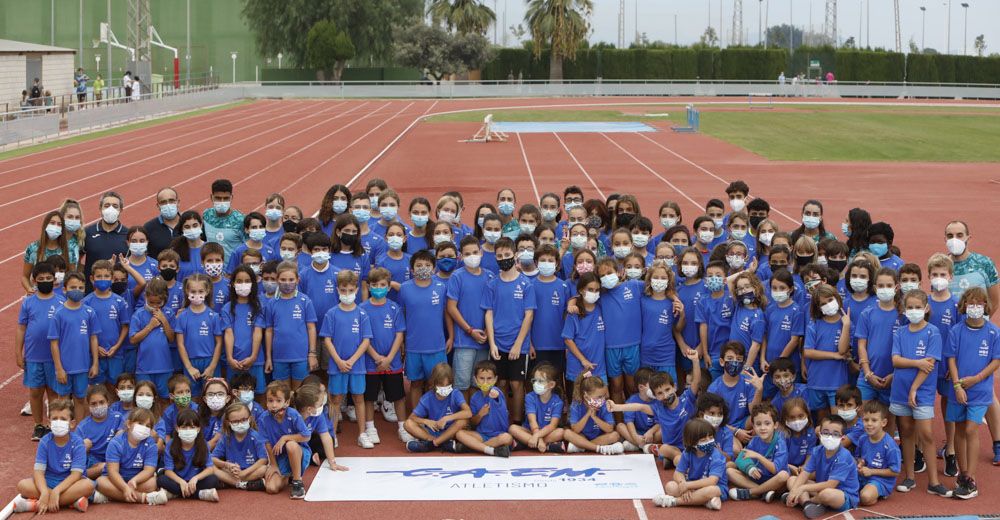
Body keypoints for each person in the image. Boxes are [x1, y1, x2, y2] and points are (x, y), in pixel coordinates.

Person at [944, 220, 1000, 464]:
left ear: (968, 236)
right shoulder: (944, 264)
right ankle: (953, 446)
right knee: (951, 391)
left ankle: (998, 442)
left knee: (986, 394)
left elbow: (995, 299)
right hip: (953, 336)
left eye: (959, 234)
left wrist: (980, 329)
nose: (954, 238)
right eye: (949, 234)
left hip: (978, 333)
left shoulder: (983, 263)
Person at [891, 289, 951, 497]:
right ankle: (910, 477)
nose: (914, 311)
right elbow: (896, 360)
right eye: (910, 307)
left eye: (918, 307)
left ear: (926, 308)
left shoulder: (932, 332)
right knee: (906, 432)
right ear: (904, 309)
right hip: (900, 390)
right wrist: (916, 362)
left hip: (922, 392)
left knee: (925, 434)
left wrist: (915, 388)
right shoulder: (900, 332)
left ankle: (934, 482)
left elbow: (930, 364)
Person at [945, 287, 999, 499]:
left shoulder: (994, 332)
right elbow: (951, 359)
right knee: (959, 430)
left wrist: (976, 379)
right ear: (964, 305)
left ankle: (971, 478)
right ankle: (963, 473)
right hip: (958, 391)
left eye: (979, 303)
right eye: (970, 303)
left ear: (986, 306)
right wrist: (958, 386)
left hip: (981, 392)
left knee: (970, 430)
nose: (975, 307)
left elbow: (996, 361)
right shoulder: (956, 331)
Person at [320, 270, 374, 448]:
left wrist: (351, 360)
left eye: (351, 290)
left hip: (357, 366)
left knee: (359, 398)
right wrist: (339, 361)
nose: (347, 294)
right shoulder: (331, 313)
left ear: (357, 290)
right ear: (337, 289)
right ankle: (332, 434)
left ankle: (362, 434)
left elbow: (366, 340)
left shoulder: (362, 314)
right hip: (337, 366)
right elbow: (327, 339)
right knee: (335, 400)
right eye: (343, 290)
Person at [484, 237, 535, 424]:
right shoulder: (492, 284)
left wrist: (518, 344)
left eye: (507, 254)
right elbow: (488, 314)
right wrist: (492, 344)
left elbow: (528, 316)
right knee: (502, 383)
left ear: (515, 255)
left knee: (516, 383)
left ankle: (516, 421)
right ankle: (502, 419)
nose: (503, 258)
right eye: (499, 255)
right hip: (498, 343)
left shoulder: (526, 284)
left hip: (518, 345)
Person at [12, 398, 93, 514]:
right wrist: (44, 491)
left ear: (72, 423)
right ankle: (70, 501)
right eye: (55, 419)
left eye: (63, 419)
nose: (58, 422)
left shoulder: (78, 442)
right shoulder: (45, 441)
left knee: (88, 485)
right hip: (48, 481)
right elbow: (38, 472)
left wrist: (57, 491)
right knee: (22, 485)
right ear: (49, 423)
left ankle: (36, 505)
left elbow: (76, 475)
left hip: (70, 483)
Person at [360, 267, 410, 442]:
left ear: (389, 287)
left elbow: (399, 334)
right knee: (369, 397)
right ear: (369, 286)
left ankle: (403, 427)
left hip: (392, 361)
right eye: (374, 284)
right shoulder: (362, 308)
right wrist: (376, 357)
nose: (378, 288)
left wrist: (389, 358)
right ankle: (370, 427)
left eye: (382, 285)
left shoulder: (394, 308)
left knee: (398, 396)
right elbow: (362, 337)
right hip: (369, 361)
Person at [17, 262, 64, 440]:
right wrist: (18, 353)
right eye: (41, 279)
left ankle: (53, 423)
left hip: (53, 357)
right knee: (35, 392)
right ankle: (38, 425)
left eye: (48, 278)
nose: (45, 281)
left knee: (53, 392)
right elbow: (21, 328)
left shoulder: (61, 301)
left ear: (55, 280)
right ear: (34, 281)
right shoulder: (28, 302)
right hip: (33, 355)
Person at [399, 250, 449, 411]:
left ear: (434, 268)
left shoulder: (441, 287)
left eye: (427, 265)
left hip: (437, 346)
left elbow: (447, 314)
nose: (423, 268)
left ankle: (435, 415)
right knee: (416, 383)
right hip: (414, 347)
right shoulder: (405, 288)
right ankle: (417, 416)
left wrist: (452, 337)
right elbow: (401, 316)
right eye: (419, 265)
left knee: (436, 383)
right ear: (412, 269)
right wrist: (401, 342)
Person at [783, 415, 859, 518]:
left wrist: (802, 489)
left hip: (843, 496)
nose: (830, 437)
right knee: (792, 480)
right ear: (820, 434)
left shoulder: (844, 456)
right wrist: (794, 491)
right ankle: (807, 504)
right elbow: (805, 472)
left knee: (826, 494)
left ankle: (804, 500)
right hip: (820, 487)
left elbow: (831, 485)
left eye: (836, 434)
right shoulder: (817, 451)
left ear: (842, 438)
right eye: (826, 433)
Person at [48, 272, 100, 420]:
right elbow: (54, 343)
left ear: (84, 289)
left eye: (80, 287)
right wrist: (58, 368)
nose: (76, 290)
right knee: (63, 400)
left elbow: (94, 338)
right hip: (64, 367)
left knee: (80, 399)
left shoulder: (89, 312)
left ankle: (78, 431)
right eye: (73, 287)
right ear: (64, 289)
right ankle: (64, 429)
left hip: (83, 367)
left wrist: (95, 363)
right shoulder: (58, 314)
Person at [93, 408, 168, 506]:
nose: (144, 428)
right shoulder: (116, 443)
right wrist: (125, 487)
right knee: (100, 482)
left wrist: (134, 481)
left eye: (148, 426)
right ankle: (144, 498)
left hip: (137, 481)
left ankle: (111, 496)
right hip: (115, 481)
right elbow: (113, 472)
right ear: (129, 424)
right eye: (140, 423)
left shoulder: (151, 444)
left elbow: (149, 470)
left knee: (153, 483)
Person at [447, 236, 494, 393]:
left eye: (475, 252)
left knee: (479, 384)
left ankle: (477, 416)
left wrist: (487, 332)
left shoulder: (490, 276)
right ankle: (463, 417)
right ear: (461, 256)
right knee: (461, 384)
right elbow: (451, 307)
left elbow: (493, 308)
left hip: (484, 341)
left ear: (481, 252)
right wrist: (470, 330)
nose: (472, 256)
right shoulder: (457, 277)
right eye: (467, 254)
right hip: (464, 341)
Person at [263, 261, 318, 390]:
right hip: (279, 357)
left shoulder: (305, 301)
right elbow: (269, 331)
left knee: (299, 393)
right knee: (284, 393)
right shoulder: (272, 304)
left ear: (298, 280)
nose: (287, 283)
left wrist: (312, 354)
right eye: (283, 279)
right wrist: (269, 358)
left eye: (291, 279)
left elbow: (311, 328)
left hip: (301, 357)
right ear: (277, 280)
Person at [651, 418, 726, 510]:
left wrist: (688, 486)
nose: (708, 441)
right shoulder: (688, 452)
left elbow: (712, 481)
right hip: (692, 485)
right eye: (703, 439)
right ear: (692, 442)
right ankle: (703, 501)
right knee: (670, 486)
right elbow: (678, 473)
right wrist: (683, 484)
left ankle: (674, 501)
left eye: (710, 437)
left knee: (713, 490)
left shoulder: (717, 456)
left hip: (714, 487)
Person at [804, 284, 851, 421]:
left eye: (830, 300)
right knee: (822, 420)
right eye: (823, 303)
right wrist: (834, 356)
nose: (828, 305)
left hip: (837, 382)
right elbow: (808, 352)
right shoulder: (814, 324)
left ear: (837, 298)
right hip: (816, 381)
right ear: (818, 307)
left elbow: (843, 350)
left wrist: (846, 325)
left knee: (837, 419)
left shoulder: (846, 324)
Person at [403, 363, 472, 452]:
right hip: (434, 430)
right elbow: (412, 418)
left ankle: (432, 444)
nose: (444, 388)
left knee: (463, 421)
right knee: (408, 424)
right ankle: (442, 443)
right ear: (434, 383)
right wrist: (426, 421)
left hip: (451, 431)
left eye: (447, 385)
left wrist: (447, 418)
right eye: (441, 385)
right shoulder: (427, 398)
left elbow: (468, 412)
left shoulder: (455, 393)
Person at [83, 260, 131, 388]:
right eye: (99, 276)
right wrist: (96, 347)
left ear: (112, 278)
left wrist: (116, 346)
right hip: (94, 355)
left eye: (106, 276)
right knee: (95, 390)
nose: (102, 279)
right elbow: (84, 330)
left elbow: (125, 326)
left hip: (116, 353)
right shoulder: (86, 302)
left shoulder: (119, 301)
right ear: (92, 279)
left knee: (115, 388)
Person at [727, 403, 789, 502]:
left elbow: (776, 470)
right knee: (729, 471)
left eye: (767, 423)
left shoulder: (780, 442)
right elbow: (740, 458)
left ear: (775, 425)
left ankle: (751, 492)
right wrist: (750, 468)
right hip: (758, 479)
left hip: (775, 482)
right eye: (758, 424)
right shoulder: (754, 440)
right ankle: (763, 492)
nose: (762, 428)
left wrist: (758, 456)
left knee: (784, 475)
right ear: (754, 426)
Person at [258, 381, 309, 499]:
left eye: (278, 401)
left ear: (286, 402)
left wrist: (285, 438)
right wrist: (274, 465)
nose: (274, 405)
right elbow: (267, 444)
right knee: (271, 488)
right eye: (270, 401)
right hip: (279, 456)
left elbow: (306, 436)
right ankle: (287, 476)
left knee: (290, 444)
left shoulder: (293, 414)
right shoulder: (263, 418)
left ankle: (297, 482)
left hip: (298, 452)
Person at [176, 275, 225, 396]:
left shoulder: (213, 316)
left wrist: (212, 367)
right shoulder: (182, 316)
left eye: (200, 291)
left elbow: (219, 343)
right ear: (187, 291)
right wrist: (189, 367)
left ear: (207, 291)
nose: (197, 294)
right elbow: (180, 344)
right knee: (193, 397)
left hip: (210, 361)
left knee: (213, 396)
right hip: (190, 362)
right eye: (193, 291)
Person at [158, 409, 220, 502]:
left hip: (196, 482)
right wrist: (181, 482)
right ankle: (199, 494)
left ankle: (174, 494)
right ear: (177, 428)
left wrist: (195, 478)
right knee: (161, 480)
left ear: (198, 429)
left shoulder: (203, 444)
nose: (188, 430)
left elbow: (210, 469)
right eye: (183, 427)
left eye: (192, 427)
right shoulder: (171, 444)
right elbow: (168, 471)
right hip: (177, 481)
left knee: (213, 480)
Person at [454, 361, 514, 457]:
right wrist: (480, 414)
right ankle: (489, 450)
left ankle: (472, 447)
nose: (485, 382)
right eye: (481, 378)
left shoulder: (497, 392)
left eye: (489, 378)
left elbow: (497, 395)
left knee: (507, 438)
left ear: (495, 379)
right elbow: (473, 422)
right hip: (481, 435)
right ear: (475, 379)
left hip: (499, 435)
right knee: (459, 434)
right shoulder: (475, 397)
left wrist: (495, 395)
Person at [508, 362, 565, 453]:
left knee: (561, 432)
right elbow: (532, 421)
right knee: (512, 428)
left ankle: (527, 444)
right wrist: (538, 438)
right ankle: (545, 445)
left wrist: (537, 436)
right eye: (535, 380)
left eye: (541, 381)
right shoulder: (530, 397)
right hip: (530, 430)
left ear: (551, 385)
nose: (536, 384)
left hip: (547, 432)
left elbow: (552, 425)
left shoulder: (557, 402)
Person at [211, 402, 267, 491]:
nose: (240, 423)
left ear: (250, 419)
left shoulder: (256, 436)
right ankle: (241, 484)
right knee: (211, 468)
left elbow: (263, 460)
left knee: (264, 469)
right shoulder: (226, 437)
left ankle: (231, 482)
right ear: (228, 422)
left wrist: (244, 473)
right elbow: (213, 458)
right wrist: (226, 464)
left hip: (250, 471)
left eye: (244, 420)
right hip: (231, 472)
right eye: (235, 421)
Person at [855, 400, 901, 506]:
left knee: (865, 497)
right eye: (866, 420)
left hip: (880, 480)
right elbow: (859, 457)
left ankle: (878, 494)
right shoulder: (863, 438)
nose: (869, 424)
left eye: (874, 420)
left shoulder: (890, 446)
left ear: (883, 423)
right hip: (862, 475)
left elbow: (895, 471)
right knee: (840, 483)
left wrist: (872, 471)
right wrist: (860, 463)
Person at [565, 373, 623, 454]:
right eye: (599, 397)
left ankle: (582, 447)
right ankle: (599, 448)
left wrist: (595, 417)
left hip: (599, 437)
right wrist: (588, 414)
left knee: (615, 435)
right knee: (567, 433)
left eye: (603, 396)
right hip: (582, 436)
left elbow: (610, 428)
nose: (602, 399)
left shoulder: (604, 405)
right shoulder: (575, 405)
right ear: (586, 396)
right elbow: (575, 430)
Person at [21, 211, 77, 293]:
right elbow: (25, 277)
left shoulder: (69, 249)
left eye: (59, 224)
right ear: (45, 225)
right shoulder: (33, 248)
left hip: (61, 296)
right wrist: (29, 289)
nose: (55, 227)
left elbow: (72, 276)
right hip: (39, 294)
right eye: (52, 223)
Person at [83, 192, 129, 290]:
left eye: (115, 206)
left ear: (121, 210)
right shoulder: (88, 232)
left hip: (119, 291)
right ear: (100, 208)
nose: (110, 209)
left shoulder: (128, 235)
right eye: (107, 205)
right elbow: (77, 260)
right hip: (91, 291)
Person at [202, 179, 245, 264]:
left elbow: (248, 247)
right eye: (218, 198)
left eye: (226, 198)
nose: (222, 202)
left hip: (233, 272)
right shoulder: (206, 215)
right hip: (211, 269)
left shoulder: (240, 220)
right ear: (211, 197)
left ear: (231, 197)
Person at [144, 187, 182, 259]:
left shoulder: (189, 224)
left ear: (178, 202)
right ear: (158, 206)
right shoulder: (148, 228)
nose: (168, 205)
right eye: (163, 202)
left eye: (171, 201)